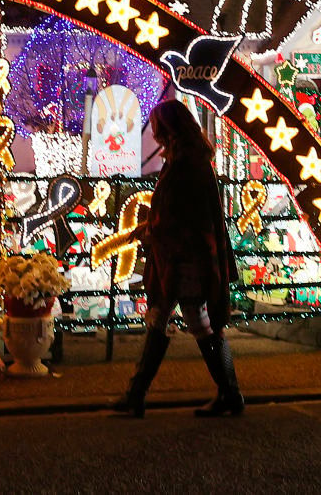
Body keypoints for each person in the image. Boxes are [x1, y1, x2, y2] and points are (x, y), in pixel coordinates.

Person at [112, 100, 243, 418]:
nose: (154, 134)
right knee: (173, 320)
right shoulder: (190, 159)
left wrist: (151, 229)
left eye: (157, 127)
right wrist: (151, 226)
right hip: (186, 256)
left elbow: (181, 214)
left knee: (187, 322)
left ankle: (140, 394)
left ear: (169, 129)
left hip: (184, 259)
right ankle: (140, 394)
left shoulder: (186, 164)